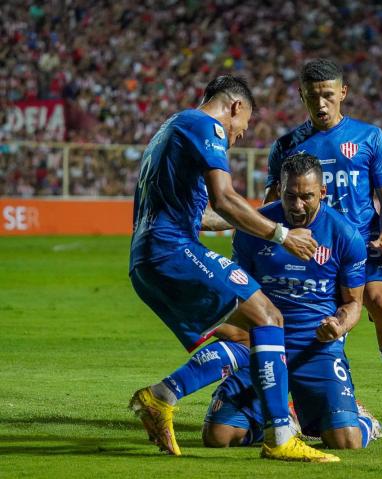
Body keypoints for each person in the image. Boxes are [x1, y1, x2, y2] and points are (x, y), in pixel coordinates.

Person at [127, 75, 339, 463]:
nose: (239, 136)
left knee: (246, 336)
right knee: (270, 316)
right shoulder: (204, 125)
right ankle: (280, 436)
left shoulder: (170, 128)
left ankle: (160, 397)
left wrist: (248, 220)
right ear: (236, 107)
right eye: (244, 127)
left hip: (146, 259)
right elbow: (224, 198)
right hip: (171, 251)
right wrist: (281, 234)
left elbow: (203, 215)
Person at [263, 59, 382, 435]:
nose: (321, 103)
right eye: (313, 97)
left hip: (363, 247)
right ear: (302, 97)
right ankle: (304, 399)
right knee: (303, 317)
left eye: (328, 95)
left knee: (378, 298)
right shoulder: (286, 146)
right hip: (312, 250)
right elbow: (271, 204)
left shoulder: (369, 137)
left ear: (343, 92)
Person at [200, 152, 382, 449]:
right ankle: (284, 423)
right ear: (280, 190)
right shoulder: (254, 228)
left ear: (323, 192)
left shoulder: (344, 235)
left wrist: (338, 326)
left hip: (316, 347)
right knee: (218, 436)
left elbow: (353, 304)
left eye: (307, 197)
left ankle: (365, 422)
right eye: (290, 196)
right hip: (263, 344)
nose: (297, 206)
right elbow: (240, 293)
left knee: (345, 440)